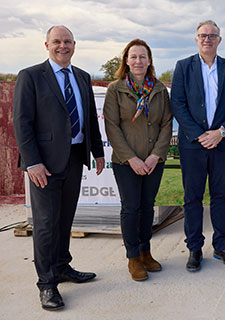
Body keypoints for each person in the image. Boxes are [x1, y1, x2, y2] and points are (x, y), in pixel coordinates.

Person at [12, 25, 105, 310]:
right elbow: (22, 123)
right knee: (45, 225)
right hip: (44, 164)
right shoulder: (30, 76)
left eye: (67, 41)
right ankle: (47, 284)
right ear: (46, 45)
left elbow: (89, 117)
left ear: (74, 45)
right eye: (57, 41)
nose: (62, 46)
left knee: (65, 219)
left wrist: (97, 153)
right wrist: (33, 163)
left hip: (75, 158)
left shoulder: (82, 76)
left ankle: (63, 267)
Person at [170, 20, 225, 271]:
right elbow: (177, 104)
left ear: (219, 40)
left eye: (212, 36)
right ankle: (194, 248)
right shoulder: (183, 67)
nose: (207, 39)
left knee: (220, 196)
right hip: (193, 145)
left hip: (222, 144)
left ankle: (221, 246)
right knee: (192, 198)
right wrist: (200, 135)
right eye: (203, 35)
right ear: (196, 39)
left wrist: (221, 132)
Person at [103, 39, 173, 281]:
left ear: (150, 60)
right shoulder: (116, 89)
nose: (138, 61)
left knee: (146, 208)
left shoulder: (160, 90)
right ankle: (133, 257)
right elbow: (112, 127)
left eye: (142, 56)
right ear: (126, 61)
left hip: (154, 161)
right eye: (133, 57)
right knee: (131, 208)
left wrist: (156, 156)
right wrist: (131, 158)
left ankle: (146, 252)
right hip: (127, 163)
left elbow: (166, 124)